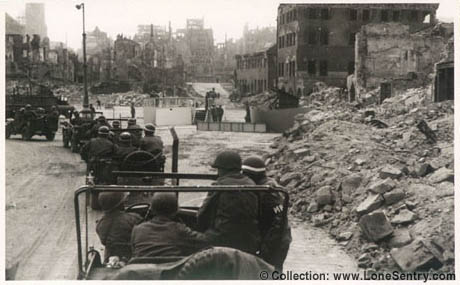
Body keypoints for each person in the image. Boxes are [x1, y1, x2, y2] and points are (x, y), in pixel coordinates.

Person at [197, 150, 260, 255]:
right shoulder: (251, 184)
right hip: (249, 241)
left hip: (221, 239)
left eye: (218, 169)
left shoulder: (219, 185)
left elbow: (202, 215)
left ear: (222, 170)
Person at [242, 156, 292, 271]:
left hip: (275, 241)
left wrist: (266, 247)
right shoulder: (265, 187)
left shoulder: (268, 192)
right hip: (277, 238)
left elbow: (278, 222)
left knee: (271, 272)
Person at [131, 192, 209, 258]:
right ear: (175, 211)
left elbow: (134, 251)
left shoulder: (137, 229)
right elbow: (205, 241)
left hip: (140, 271)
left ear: (152, 210)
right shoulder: (179, 229)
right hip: (170, 270)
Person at [96, 192, 143, 263]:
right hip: (133, 256)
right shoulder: (133, 218)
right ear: (120, 204)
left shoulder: (100, 224)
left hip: (110, 257)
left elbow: (104, 242)